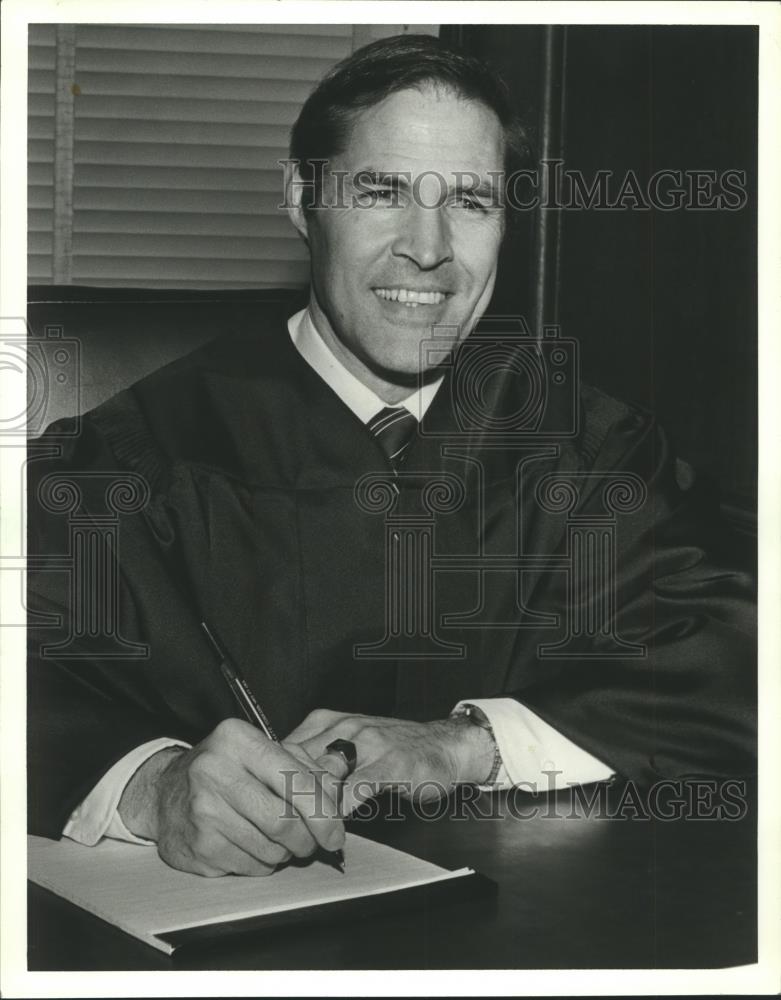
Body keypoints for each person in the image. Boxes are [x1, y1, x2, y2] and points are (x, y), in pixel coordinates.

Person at [27, 34, 756, 878]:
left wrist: (464, 744)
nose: (429, 247)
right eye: (381, 190)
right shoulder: (133, 464)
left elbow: (735, 654)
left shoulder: (587, 450)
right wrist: (152, 785)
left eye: (473, 201)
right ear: (302, 199)